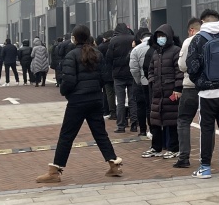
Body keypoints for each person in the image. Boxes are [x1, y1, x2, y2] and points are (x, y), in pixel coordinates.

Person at [36, 25, 124, 184]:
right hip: (95, 99)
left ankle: (54, 171)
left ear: (74, 38)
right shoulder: (97, 54)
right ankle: (114, 165)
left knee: (66, 136)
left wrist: (66, 93)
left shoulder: (71, 55)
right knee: (100, 134)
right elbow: (104, 77)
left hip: (77, 101)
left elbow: (68, 81)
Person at [186, 9, 219, 179]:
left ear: (202, 21)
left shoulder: (198, 39)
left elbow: (192, 67)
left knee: (207, 129)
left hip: (207, 93)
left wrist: (199, 81)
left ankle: (205, 167)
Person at [144, 26, 183, 157]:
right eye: (158, 36)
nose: (160, 38)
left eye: (163, 36)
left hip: (170, 92)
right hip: (157, 92)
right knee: (155, 121)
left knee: (171, 121)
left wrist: (177, 88)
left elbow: (179, 71)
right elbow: (150, 69)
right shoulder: (156, 53)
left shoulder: (176, 51)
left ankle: (174, 148)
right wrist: (152, 81)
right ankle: (156, 147)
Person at [172, 18, 201, 167]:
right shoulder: (213, 39)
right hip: (209, 88)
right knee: (207, 124)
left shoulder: (189, 41)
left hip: (190, 87)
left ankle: (184, 158)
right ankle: (207, 159)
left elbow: (182, 66)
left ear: (191, 30)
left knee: (183, 121)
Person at [105, 23, 136, 134]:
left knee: (120, 101)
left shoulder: (114, 41)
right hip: (131, 73)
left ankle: (121, 125)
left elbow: (108, 58)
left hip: (118, 75)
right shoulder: (133, 38)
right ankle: (134, 124)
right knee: (132, 100)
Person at [128, 28, 152, 138]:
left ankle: (142, 130)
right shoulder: (157, 47)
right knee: (151, 106)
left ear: (141, 39)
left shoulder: (136, 49)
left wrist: (138, 80)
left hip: (141, 81)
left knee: (140, 106)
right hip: (153, 82)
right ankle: (152, 129)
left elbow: (134, 68)